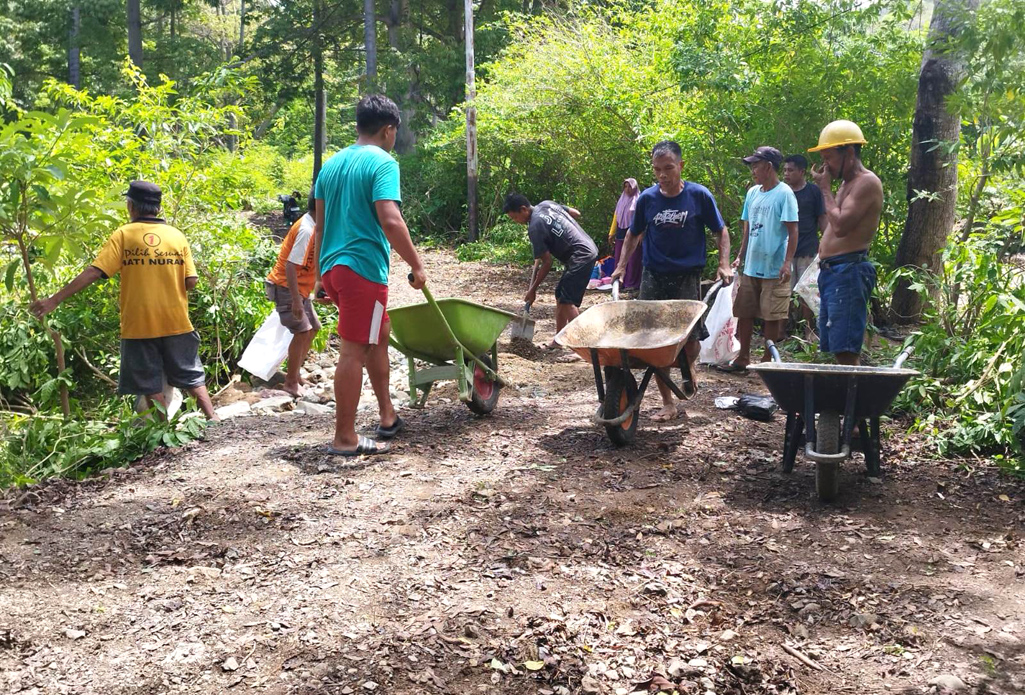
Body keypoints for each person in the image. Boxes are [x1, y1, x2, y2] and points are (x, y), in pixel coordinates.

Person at [30, 181, 218, 420]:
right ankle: (214, 420)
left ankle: (164, 432)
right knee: (190, 374)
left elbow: (95, 271)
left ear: (130, 206)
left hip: (139, 324)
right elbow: (191, 282)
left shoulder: (124, 235)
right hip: (176, 320)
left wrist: (54, 300)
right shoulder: (176, 236)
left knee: (149, 382)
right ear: (158, 208)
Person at [313, 94, 427, 456]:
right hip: (361, 270)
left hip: (334, 269)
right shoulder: (383, 162)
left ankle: (387, 415)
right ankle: (344, 437)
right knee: (353, 350)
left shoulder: (330, 165)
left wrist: (319, 276)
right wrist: (416, 264)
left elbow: (320, 226)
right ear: (389, 130)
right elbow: (390, 219)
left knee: (379, 334)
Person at [611, 140, 732, 421]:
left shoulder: (698, 195)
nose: (662, 175)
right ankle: (668, 402)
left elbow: (721, 231)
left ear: (681, 166)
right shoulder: (648, 200)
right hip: (653, 275)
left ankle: (688, 369)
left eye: (668, 168)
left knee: (690, 341)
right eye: (657, 170)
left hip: (687, 275)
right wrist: (620, 266)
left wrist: (724, 264)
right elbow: (633, 234)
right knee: (655, 344)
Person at [808, 120, 883, 365]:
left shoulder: (867, 183)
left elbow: (840, 226)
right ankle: (843, 399)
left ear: (849, 152)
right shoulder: (845, 185)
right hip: (833, 272)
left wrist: (825, 189)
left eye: (828, 157)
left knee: (846, 348)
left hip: (848, 271)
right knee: (836, 344)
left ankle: (853, 401)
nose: (825, 164)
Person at [720, 147, 798, 372]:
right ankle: (743, 358)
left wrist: (787, 262)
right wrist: (740, 256)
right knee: (745, 312)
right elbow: (747, 228)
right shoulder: (753, 193)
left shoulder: (784, 194)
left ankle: (766, 360)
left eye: (756, 165)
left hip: (774, 266)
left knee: (770, 315)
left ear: (768, 166)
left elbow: (793, 231)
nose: (753, 170)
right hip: (752, 266)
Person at [502, 193, 598, 347]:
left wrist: (532, 290)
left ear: (523, 209)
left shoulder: (535, 227)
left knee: (568, 301)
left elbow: (547, 263)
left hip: (580, 255)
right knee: (560, 295)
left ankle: (582, 347)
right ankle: (559, 340)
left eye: (515, 218)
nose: (516, 222)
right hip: (587, 247)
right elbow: (575, 213)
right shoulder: (547, 204)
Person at [265, 187, 321, 398]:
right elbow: (290, 265)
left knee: (314, 327)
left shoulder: (315, 225)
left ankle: (295, 374)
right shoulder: (306, 229)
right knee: (302, 331)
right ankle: (290, 382)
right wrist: (297, 302)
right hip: (287, 287)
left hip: (300, 288)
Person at [782, 154, 826, 339]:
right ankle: (784, 330)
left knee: (806, 292)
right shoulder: (782, 192)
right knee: (784, 292)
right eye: (784, 170)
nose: (786, 174)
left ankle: (809, 329)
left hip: (807, 248)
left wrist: (825, 243)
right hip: (784, 251)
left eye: (790, 170)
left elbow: (822, 217)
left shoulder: (813, 192)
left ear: (801, 172)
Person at [609, 178, 642, 291]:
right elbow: (616, 216)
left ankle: (631, 283)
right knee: (619, 257)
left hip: (634, 233)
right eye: (626, 186)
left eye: (630, 187)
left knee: (633, 258)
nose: (627, 189)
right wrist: (611, 232)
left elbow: (642, 219)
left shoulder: (639, 200)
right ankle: (618, 282)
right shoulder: (621, 200)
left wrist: (641, 234)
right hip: (621, 231)